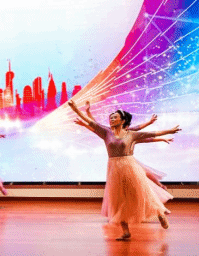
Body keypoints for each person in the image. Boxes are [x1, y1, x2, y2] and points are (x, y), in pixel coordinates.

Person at [68, 100, 180, 240]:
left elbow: (150, 134)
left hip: (130, 167)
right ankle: (126, 231)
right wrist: (75, 108)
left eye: (115, 117)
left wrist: (169, 131)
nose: (111, 119)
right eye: (110, 117)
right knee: (118, 199)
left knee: (142, 193)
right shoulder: (105, 133)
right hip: (114, 169)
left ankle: (160, 213)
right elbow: (89, 121)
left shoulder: (131, 134)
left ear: (122, 121)